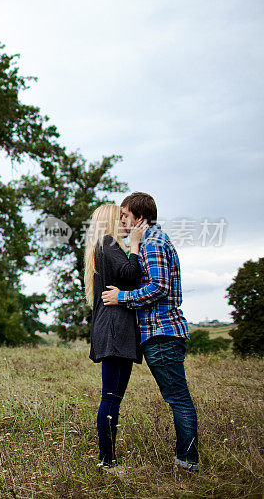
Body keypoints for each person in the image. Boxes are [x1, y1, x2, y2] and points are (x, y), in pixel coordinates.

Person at [102, 192, 200, 473]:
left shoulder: (152, 244)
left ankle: (188, 461)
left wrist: (122, 297)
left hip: (161, 333)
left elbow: (159, 287)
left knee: (178, 398)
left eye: (125, 216)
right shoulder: (154, 240)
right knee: (177, 397)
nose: (121, 220)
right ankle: (187, 458)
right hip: (162, 333)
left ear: (139, 218)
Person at [84, 204, 146, 472]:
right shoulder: (108, 243)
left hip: (111, 328)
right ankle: (107, 460)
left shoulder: (102, 247)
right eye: (119, 216)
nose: (124, 220)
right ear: (109, 221)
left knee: (111, 396)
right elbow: (132, 273)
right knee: (110, 397)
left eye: (125, 216)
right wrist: (135, 245)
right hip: (114, 329)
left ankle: (107, 458)